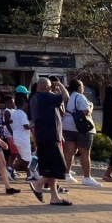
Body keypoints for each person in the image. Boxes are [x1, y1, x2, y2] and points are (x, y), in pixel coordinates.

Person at [27, 77, 72, 205]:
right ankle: (38, 183)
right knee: (59, 167)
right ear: (47, 87)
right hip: (50, 136)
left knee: (49, 168)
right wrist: (60, 85)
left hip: (43, 136)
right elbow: (66, 96)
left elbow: (60, 108)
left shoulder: (35, 98)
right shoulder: (46, 97)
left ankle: (54, 196)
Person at [62, 79, 102, 188]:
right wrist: (91, 106)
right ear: (79, 87)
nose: (83, 89)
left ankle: (66, 173)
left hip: (66, 126)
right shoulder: (80, 97)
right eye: (82, 86)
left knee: (69, 151)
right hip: (81, 128)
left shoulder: (66, 96)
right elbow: (86, 111)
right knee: (85, 153)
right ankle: (87, 177)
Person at [10, 95, 35, 180]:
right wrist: (33, 124)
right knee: (26, 158)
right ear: (24, 104)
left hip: (17, 137)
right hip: (23, 138)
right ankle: (11, 168)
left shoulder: (14, 113)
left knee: (25, 157)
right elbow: (26, 126)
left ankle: (29, 176)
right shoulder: (22, 113)